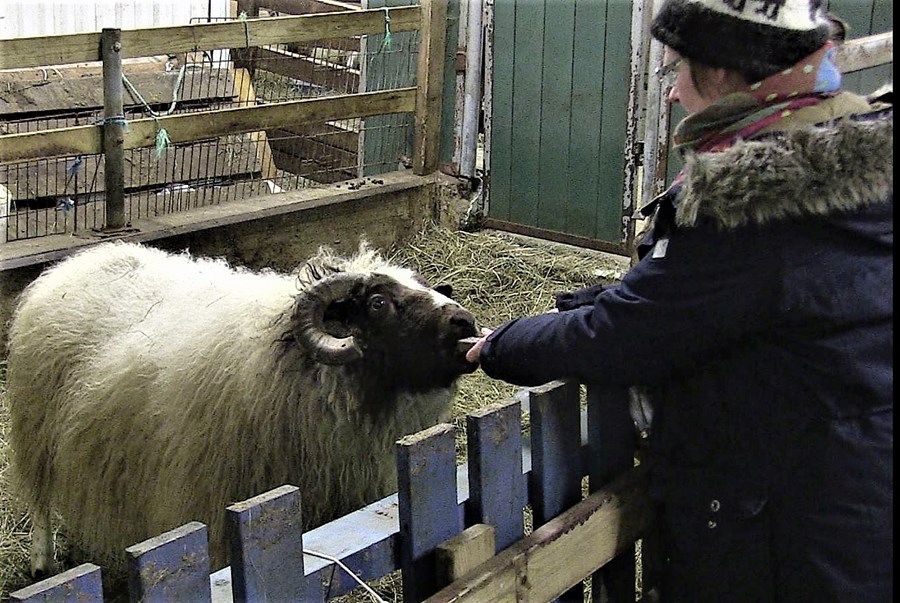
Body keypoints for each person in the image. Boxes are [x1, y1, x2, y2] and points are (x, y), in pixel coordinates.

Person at [464, 0, 893, 600]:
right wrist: (612, 297)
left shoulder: (753, 206)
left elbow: (626, 338)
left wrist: (502, 344)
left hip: (778, 537)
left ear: (722, 72)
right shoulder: (851, 167)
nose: (668, 94)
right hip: (854, 497)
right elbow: (725, 304)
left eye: (675, 71)